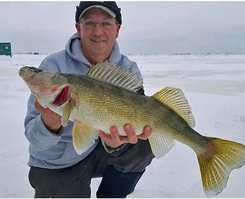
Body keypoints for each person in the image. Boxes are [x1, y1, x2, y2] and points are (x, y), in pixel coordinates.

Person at [24, 1, 154, 198]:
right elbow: (36, 141)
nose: (98, 31)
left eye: (106, 23)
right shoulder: (53, 67)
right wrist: (49, 124)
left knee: (145, 143)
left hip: (102, 152)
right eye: (90, 23)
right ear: (79, 27)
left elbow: (136, 118)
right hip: (58, 163)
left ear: (117, 29)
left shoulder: (127, 69)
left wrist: (117, 142)